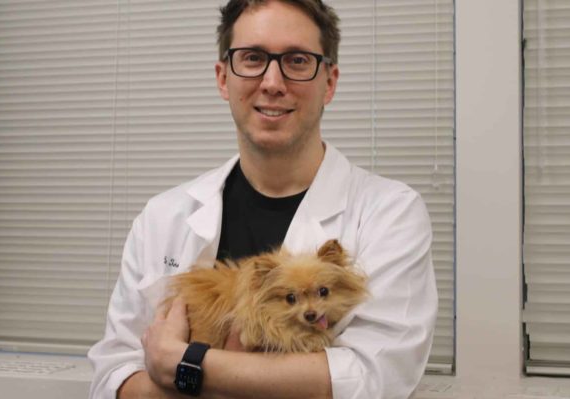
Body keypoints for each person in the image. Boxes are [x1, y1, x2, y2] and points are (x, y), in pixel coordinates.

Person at [87, 0, 438, 398]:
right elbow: (113, 378)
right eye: (252, 58)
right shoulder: (162, 217)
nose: (272, 82)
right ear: (223, 78)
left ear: (330, 82)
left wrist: (184, 364)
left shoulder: (390, 214)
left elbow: (372, 379)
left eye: (298, 60)